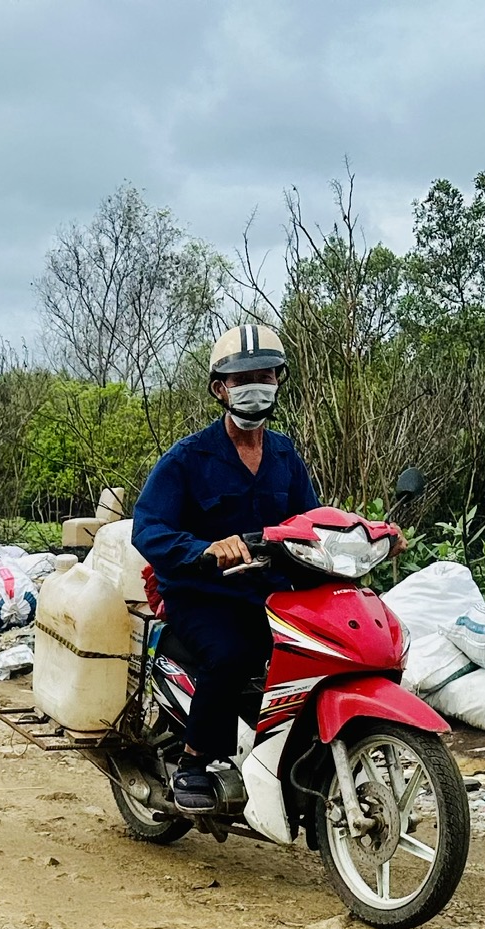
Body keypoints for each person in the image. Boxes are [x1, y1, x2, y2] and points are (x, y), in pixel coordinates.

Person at [131, 323, 319, 813]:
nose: (255, 387)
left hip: (270, 592)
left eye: (264, 376)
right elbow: (147, 528)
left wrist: (369, 531)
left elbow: (312, 521)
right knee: (235, 652)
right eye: (242, 378)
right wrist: (205, 549)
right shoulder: (188, 457)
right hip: (202, 595)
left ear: (279, 381)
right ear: (221, 388)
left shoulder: (285, 455)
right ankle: (195, 761)